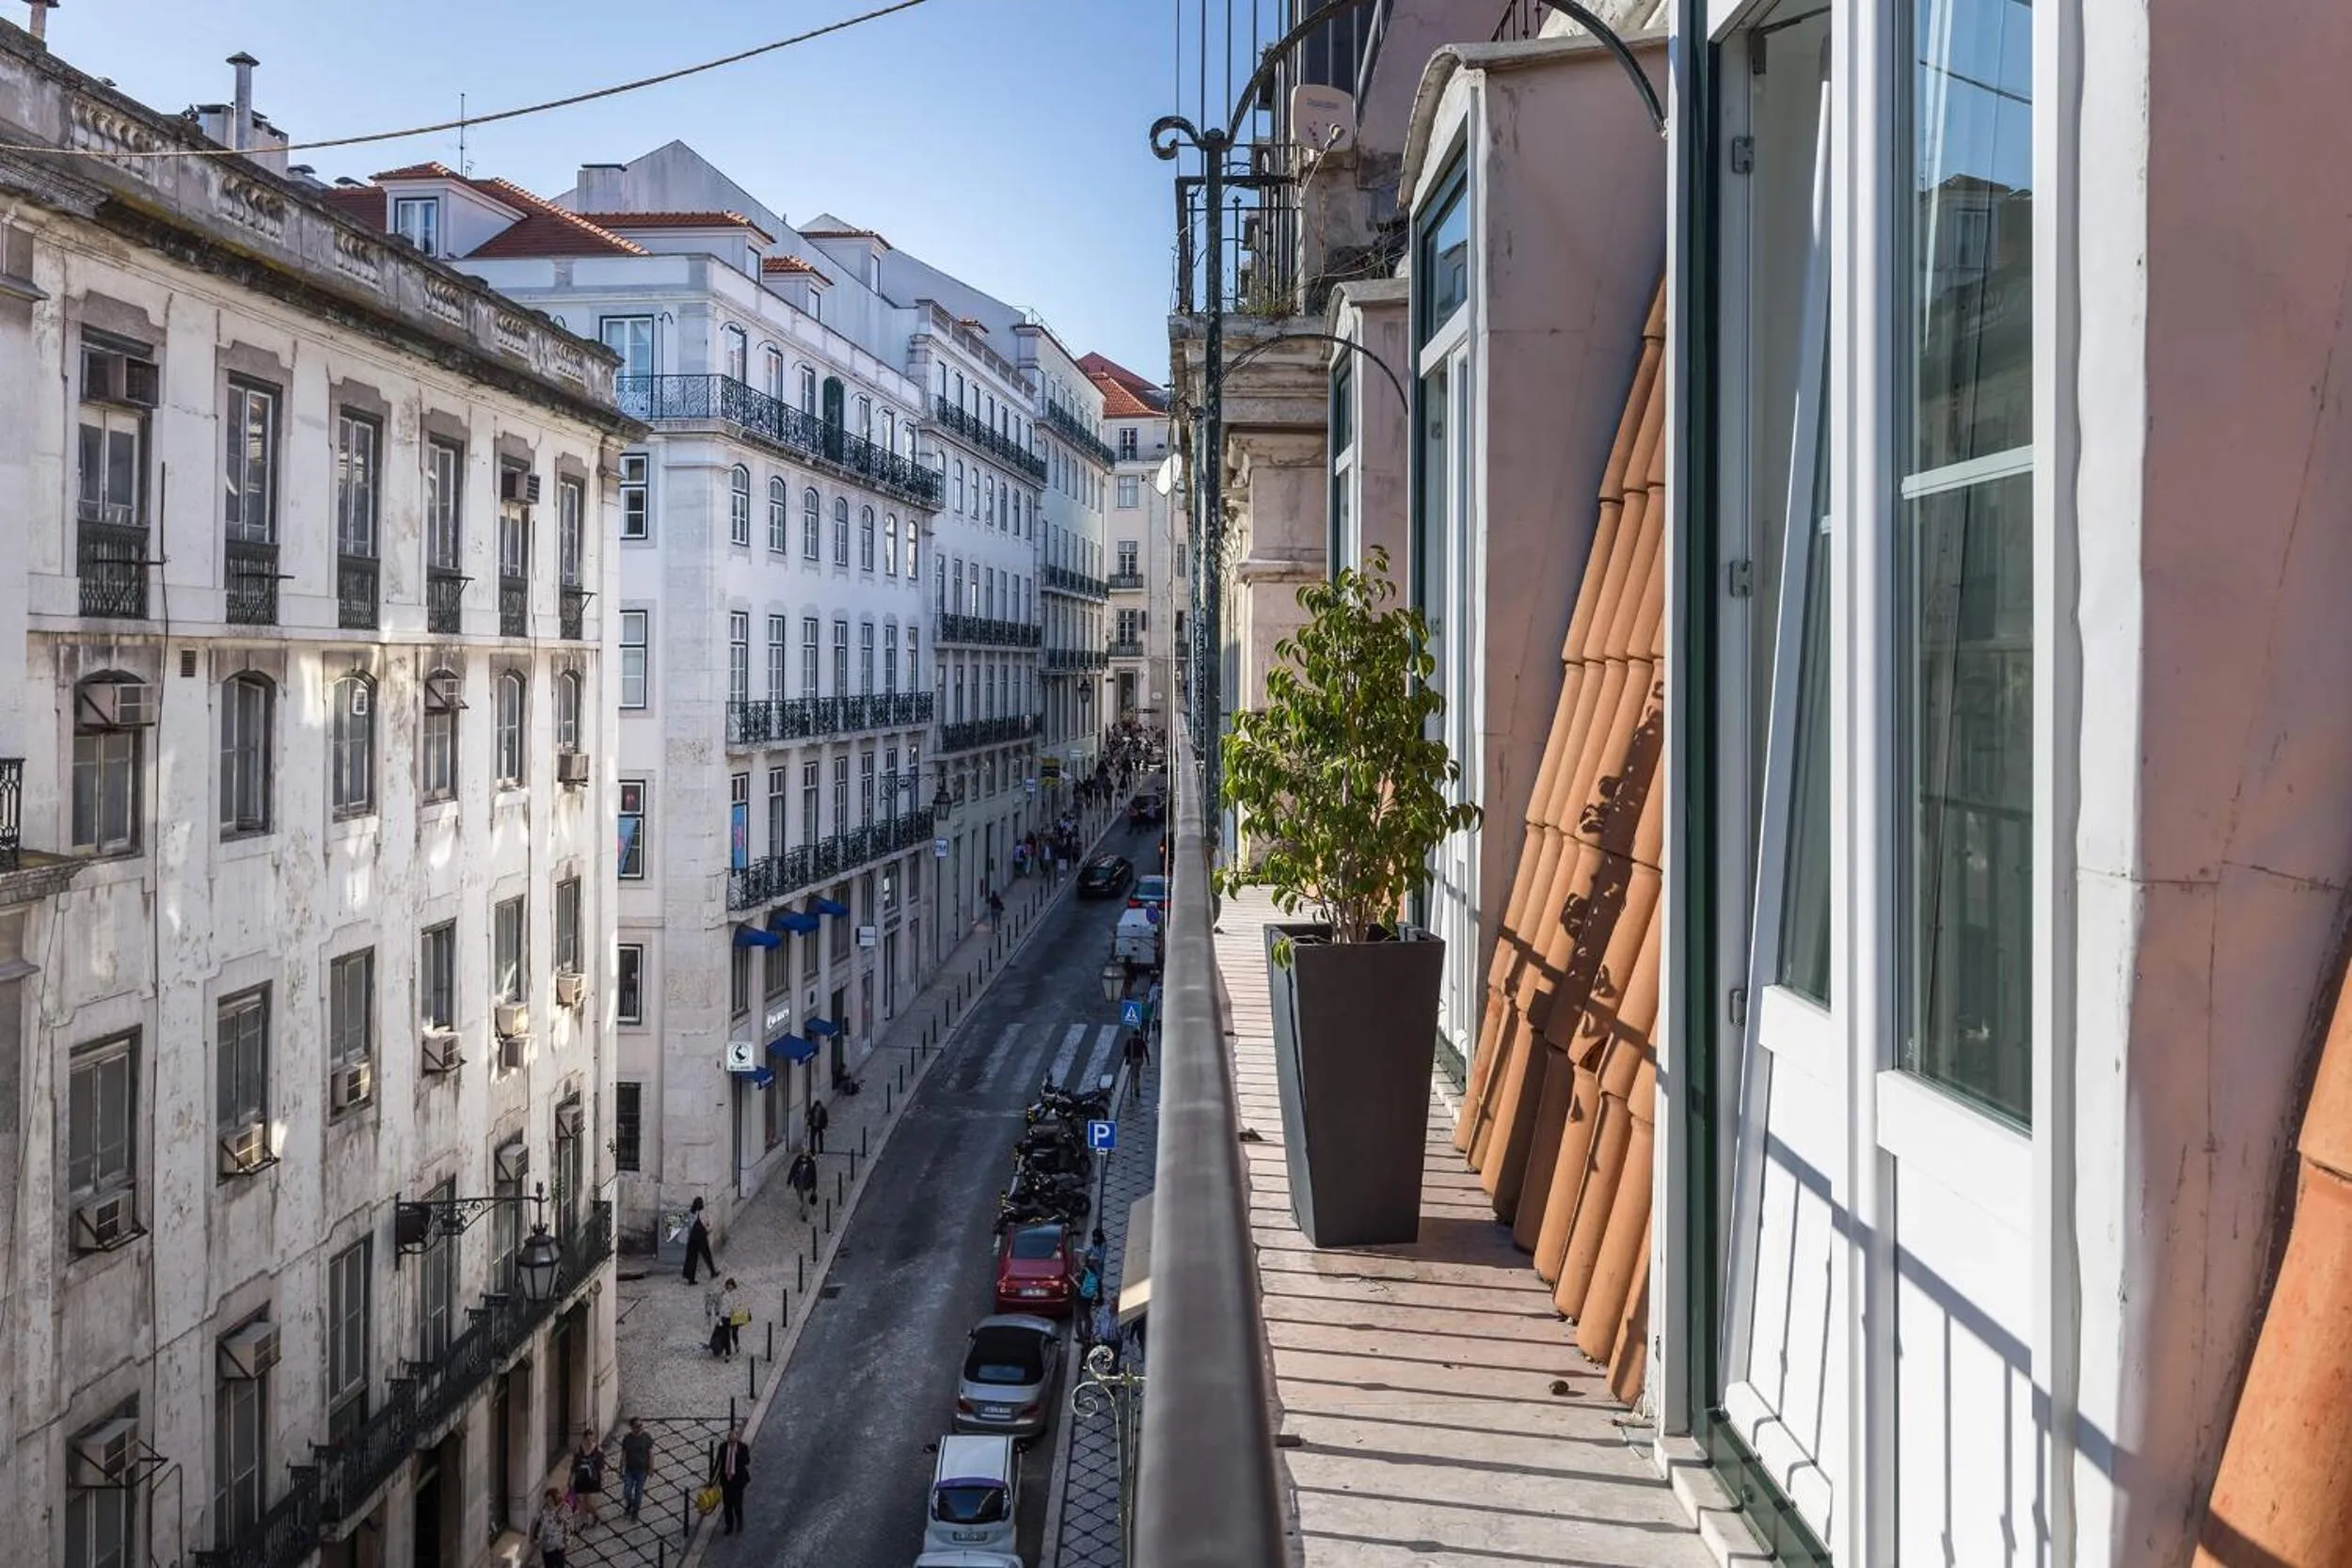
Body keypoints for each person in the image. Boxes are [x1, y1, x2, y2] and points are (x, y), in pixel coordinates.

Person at [710, 1423, 753, 1536]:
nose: (731, 1441)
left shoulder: (743, 1448)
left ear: (737, 1439)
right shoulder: (722, 1447)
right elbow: (718, 1463)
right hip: (726, 1480)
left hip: (738, 1480)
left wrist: (736, 1454)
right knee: (727, 1505)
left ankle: (739, 1523)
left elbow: (747, 1461)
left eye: (734, 1439)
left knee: (737, 1504)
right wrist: (712, 1479)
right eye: (730, 1439)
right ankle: (729, 1526)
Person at [566, 1427, 605, 1525]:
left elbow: (600, 1467)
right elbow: (574, 1466)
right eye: (587, 1439)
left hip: (593, 1480)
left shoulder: (598, 1450)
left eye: (591, 1439)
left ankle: (595, 1515)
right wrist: (570, 1478)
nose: (589, 1442)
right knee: (580, 1502)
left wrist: (602, 1480)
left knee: (589, 1504)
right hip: (580, 1479)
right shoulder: (578, 1450)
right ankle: (584, 1522)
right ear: (584, 1439)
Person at [618, 1418, 654, 1522]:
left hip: (642, 1470)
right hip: (629, 1469)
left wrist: (651, 1468)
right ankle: (630, 1504)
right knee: (626, 1491)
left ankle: (635, 1512)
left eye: (640, 1425)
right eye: (637, 1426)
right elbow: (623, 1454)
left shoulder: (646, 1437)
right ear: (632, 1427)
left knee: (638, 1493)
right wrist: (621, 1468)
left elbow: (651, 1453)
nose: (639, 1428)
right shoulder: (627, 1438)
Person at [531, 1487, 572, 1567]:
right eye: (547, 1501)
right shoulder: (543, 1513)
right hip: (548, 1546)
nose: (548, 1503)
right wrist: (535, 1540)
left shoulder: (564, 1509)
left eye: (550, 1501)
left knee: (560, 1564)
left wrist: (567, 1540)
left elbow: (569, 1525)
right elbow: (536, 1525)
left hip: (560, 1545)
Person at [681, 1196, 716, 1285]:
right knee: (707, 1255)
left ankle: (690, 1278)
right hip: (701, 1238)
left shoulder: (691, 1213)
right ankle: (713, 1272)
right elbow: (707, 1224)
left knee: (692, 1258)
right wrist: (708, 1230)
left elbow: (688, 1225)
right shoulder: (702, 1213)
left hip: (692, 1239)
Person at [718, 1276, 746, 1358]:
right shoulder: (724, 1294)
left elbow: (739, 1304)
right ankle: (728, 1353)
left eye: (731, 1285)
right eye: (728, 1285)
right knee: (726, 1336)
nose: (729, 1287)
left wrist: (735, 1310)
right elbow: (721, 1306)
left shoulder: (737, 1294)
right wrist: (720, 1318)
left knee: (734, 1333)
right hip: (726, 1317)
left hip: (734, 1317)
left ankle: (736, 1345)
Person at [788, 1147, 818, 1218]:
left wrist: (814, 1187)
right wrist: (789, 1181)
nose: (804, 1154)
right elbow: (793, 1170)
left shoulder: (811, 1163)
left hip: (808, 1185)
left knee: (806, 1199)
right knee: (799, 1196)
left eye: (806, 1152)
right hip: (799, 1184)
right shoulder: (798, 1160)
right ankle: (803, 1205)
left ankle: (804, 1216)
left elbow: (814, 1175)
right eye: (803, 1152)